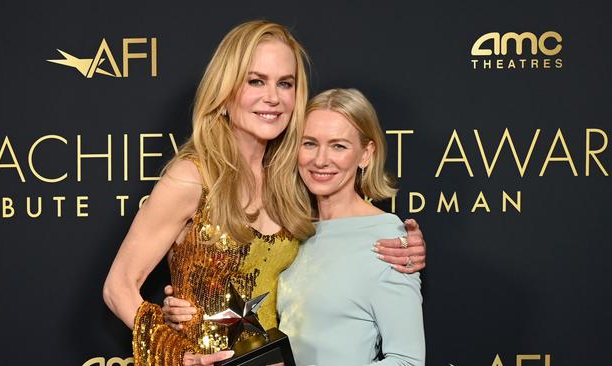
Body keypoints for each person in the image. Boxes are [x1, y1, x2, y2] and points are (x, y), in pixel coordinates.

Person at [103, 20, 426, 366]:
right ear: (225, 91)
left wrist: (408, 248)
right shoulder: (193, 177)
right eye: (256, 81)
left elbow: (341, 245)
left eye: (285, 84)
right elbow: (118, 287)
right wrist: (180, 355)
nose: (272, 97)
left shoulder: (292, 180)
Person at [278, 88, 425, 365]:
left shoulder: (388, 240)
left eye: (338, 146)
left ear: (365, 154)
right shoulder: (292, 229)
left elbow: (408, 360)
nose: (320, 160)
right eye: (309, 143)